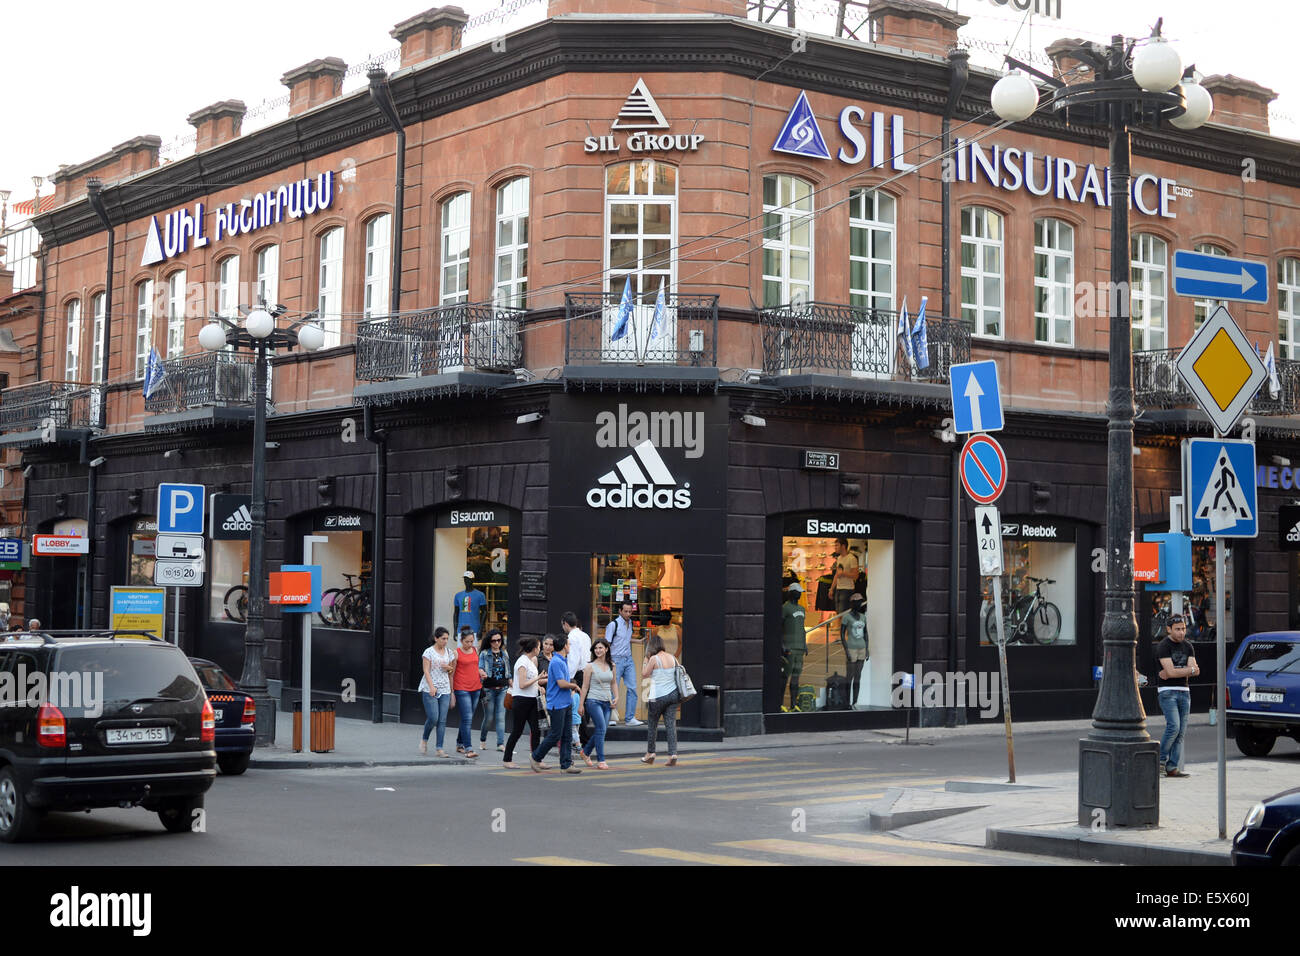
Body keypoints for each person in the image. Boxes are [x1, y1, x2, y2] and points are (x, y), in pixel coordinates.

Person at [530, 632, 582, 774]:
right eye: (569, 644)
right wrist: (574, 686)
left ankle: (566, 765)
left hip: (565, 703)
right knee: (555, 735)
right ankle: (536, 756)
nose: (570, 646)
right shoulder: (557, 661)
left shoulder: (562, 660)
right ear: (565, 646)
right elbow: (561, 683)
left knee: (567, 735)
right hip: (557, 704)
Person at [1156, 614, 1198, 778]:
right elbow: (1173, 672)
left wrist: (1177, 672)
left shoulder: (1188, 646)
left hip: (1184, 691)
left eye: (1183, 629)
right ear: (1169, 629)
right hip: (1167, 691)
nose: (1181, 633)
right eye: (1177, 629)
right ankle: (1159, 761)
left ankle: (1172, 767)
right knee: (1173, 727)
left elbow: (1196, 670)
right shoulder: (1163, 646)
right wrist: (1189, 670)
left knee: (1181, 732)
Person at [640, 632, 681, 766]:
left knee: (652, 724)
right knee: (670, 725)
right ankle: (672, 754)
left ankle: (650, 753)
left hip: (658, 696)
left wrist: (645, 660)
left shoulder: (654, 659)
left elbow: (644, 674)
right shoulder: (673, 658)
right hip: (673, 695)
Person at [503, 636, 544, 768]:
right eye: (538, 646)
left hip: (532, 699)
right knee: (517, 731)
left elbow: (531, 681)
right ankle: (507, 759)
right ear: (533, 648)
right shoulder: (522, 662)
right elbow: (521, 684)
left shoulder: (531, 661)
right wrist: (538, 678)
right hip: (521, 700)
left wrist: (538, 685)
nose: (540, 649)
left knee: (536, 730)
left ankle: (537, 759)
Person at [578, 637, 615, 769]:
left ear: (606, 649)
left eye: (600, 648)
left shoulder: (612, 665)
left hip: (607, 702)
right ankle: (601, 760)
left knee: (602, 730)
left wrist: (616, 698)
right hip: (593, 701)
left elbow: (614, 683)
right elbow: (585, 687)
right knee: (601, 728)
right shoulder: (590, 666)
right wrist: (581, 704)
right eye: (596, 648)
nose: (598, 650)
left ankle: (586, 752)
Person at [605, 601, 643, 726]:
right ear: (620, 611)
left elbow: (625, 639)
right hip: (615, 659)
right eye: (625, 611)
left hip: (628, 659)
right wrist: (608, 661)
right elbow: (607, 644)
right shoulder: (613, 625)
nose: (628, 614)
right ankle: (611, 717)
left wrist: (638, 641)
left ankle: (630, 718)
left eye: (630, 611)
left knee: (632, 688)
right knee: (612, 688)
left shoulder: (630, 623)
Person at [418, 627, 454, 757]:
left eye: (447, 639)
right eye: (443, 638)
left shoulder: (449, 652)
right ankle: (424, 739)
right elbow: (426, 671)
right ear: (436, 638)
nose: (445, 641)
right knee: (433, 717)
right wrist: (432, 687)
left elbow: (451, 671)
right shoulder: (428, 652)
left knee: (442, 720)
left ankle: (439, 748)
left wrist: (449, 668)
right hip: (430, 688)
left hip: (445, 688)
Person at [561, 611, 591, 749]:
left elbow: (573, 659)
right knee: (583, 706)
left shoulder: (571, 638)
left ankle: (583, 740)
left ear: (565, 624)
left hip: (578, 674)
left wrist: (569, 679)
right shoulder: (585, 636)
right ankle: (580, 739)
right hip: (588, 672)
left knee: (578, 708)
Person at [451, 626, 483, 758]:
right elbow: (451, 673)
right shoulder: (456, 653)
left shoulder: (475, 650)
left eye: (471, 641)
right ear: (461, 640)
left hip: (476, 687)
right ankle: (468, 748)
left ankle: (459, 743)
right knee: (467, 718)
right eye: (467, 642)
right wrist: (452, 692)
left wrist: (481, 673)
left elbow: (476, 667)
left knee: (467, 718)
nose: (469, 644)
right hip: (461, 688)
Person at [478, 628, 510, 752]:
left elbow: (508, 670)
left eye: (499, 640)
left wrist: (510, 680)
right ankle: (483, 739)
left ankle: (500, 744)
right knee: (489, 718)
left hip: (502, 689)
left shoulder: (504, 653)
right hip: (488, 689)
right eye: (494, 641)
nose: (497, 643)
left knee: (501, 717)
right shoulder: (484, 654)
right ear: (489, 642)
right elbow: (480, 667)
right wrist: (482, 672)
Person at [781, 583, 807, 712]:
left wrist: (805, 644)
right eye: (797, 591)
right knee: (785, 676)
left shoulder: (802, 609)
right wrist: (782, 645)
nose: (799, 594)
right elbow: (778, 627)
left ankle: (793, 705)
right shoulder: (785, 608)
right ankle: (779, 703)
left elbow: (802, 629)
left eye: (800, 592)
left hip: (800, 648)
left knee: (796, 676)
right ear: (791, 592)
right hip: (789, 648)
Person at [840, 592, 869, 707]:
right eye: (856, 602)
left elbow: (866, 633)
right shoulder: (846, 617)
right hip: (851, 647)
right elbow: (842, 634)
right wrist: (846, 649)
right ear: (852, 603)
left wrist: (867, 648)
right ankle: (847, 702)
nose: (859, 604)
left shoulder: (863, 617)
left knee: (858, 676)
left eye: (860, 602)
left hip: (861, 647)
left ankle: (855, 702)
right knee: (850, 676)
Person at [451, 572, 488, 637]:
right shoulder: (458, 595)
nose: (466, 581)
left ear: (472, 580)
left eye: (468, 579)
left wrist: (481, 629)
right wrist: (455, 630)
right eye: (465, 579)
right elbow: (456, 613)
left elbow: (484, 612)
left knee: (473, 647)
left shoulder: (480, 595)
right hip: (461, 630)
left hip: (474, 629)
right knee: (461, 647)